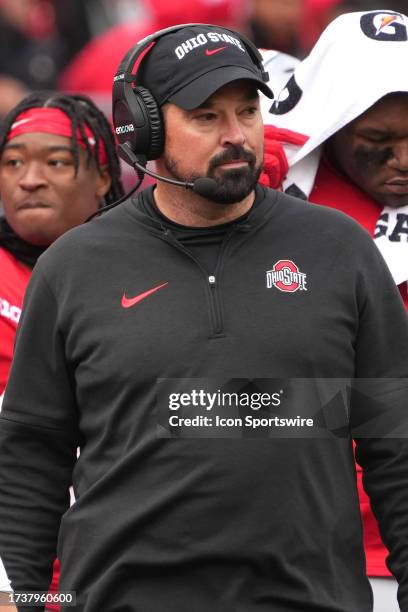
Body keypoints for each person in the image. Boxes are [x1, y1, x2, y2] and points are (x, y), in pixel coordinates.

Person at [0, 23, 407, 612]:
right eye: (206, 116)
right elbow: (35, 452)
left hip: (311, 599)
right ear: (144, 129)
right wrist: (28, 598)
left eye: (247, 110)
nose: (237, 135)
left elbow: (392, 440)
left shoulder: (338, 249)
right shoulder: (73, 267)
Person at [260, 9, 408, 611]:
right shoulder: (261, 186)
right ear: (331, 123)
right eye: (377, 144)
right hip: (291, 537)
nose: (404, 159)